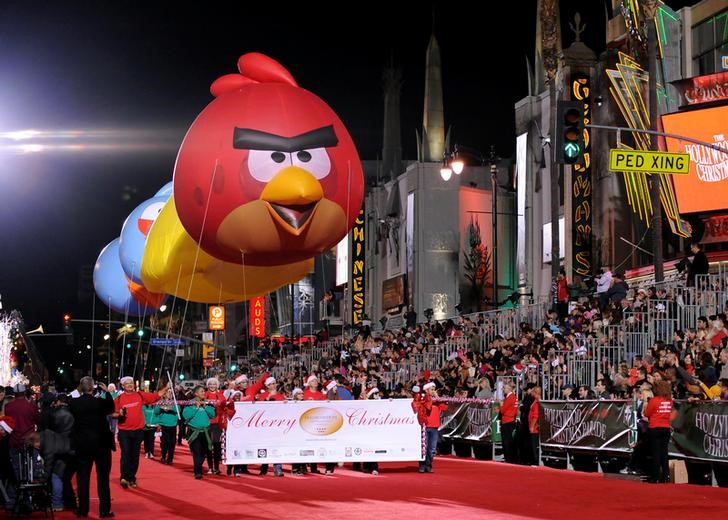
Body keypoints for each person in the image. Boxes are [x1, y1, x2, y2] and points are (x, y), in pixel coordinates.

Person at [69, 377, 115, 518]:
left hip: (83, 444)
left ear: (81, 388)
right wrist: (107, 392)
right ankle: (104, 510)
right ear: (93, 387)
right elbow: (111, 408)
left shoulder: (74, 403)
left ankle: (83, 510)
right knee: (103, 478)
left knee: (83, 477)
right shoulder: (100, 402)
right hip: (101, 444)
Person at [112, 376, 168, 489]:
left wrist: (166, 388)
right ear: (123, 386)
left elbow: (155, 397)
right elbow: (112, 414)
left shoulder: (140, 395)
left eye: (131, 383)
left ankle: (132, 477)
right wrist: (120, 415)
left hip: (138, 431)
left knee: (135, 456)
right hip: (124, 432)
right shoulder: (118, 399)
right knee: (125, 454)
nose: (130, 385)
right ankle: (124, 477)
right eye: (127, 384)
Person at [643, 380, 675, 484]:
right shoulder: (669, 401)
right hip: (665, 428)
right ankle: (666, 477)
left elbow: (647, 413)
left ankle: (655, 477)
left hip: (655, 428)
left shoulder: (654, 400)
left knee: (656, 453)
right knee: (664, 453)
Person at [412, 382, 447, 473]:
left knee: (432, 449)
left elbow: (444, 407)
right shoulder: (423, 400)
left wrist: (437, 397)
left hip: (435, 428)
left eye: (434, 389)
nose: (433, 391)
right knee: (424, 447)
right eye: (431, 389)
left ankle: (428, 465)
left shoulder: (438, 401)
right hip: (425, 427)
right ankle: (422, 465)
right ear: (426, 390)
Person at [182, 385, 215, 479]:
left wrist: (206, 407)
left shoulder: (207, 403)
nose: (204, 393)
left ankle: (198, 467)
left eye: (204, 391)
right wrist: (195, 408)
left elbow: (212, 415)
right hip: (194, 432)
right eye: (202, 391)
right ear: (196, 393)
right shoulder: (189, 403)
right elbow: (186, 416)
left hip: (206, 432)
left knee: (204, 452)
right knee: (197, 452)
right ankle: (198, 472)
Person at [204, 378, 225, 475]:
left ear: (217, 385)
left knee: (216, 445)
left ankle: (216, 467)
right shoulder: (204, 394)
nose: (212, 386)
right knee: (208, 446)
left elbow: (223, 403)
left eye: (214, 384)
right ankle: (210, 467)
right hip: (207, 423)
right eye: (210, 384)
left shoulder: (220, 394)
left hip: (217, 423)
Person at [153, 387, 179, 465]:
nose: (170, 394)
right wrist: (161, 407)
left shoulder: (175, 402)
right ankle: (163, 455)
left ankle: (170, 458)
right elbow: (156, 411)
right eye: (168, 392)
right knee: (164, 442)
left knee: (172, 443)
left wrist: (170, 408)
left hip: (173, 425)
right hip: (164, 425)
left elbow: (178, 410)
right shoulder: (160, 401)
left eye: (171, 392)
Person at [498, 382, 518, 464]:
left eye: (505, 388)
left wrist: (501, 404)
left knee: (506, 441)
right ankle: (509, 457)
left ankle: (508, 458)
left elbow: (503, 410)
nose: (503, 390)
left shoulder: (510, 397)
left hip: (507, 421)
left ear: (509, 389)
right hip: (511, 420)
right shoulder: (513, 397)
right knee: (509, 440)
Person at [528, 387, 541, 466]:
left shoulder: (537, 403)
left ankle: (536, 461)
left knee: (534, 445)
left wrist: (532, 426)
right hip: (534, 425)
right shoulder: (535, 401)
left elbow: (536, 416)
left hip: (535, 427)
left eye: (533, 392)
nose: (531, 394)